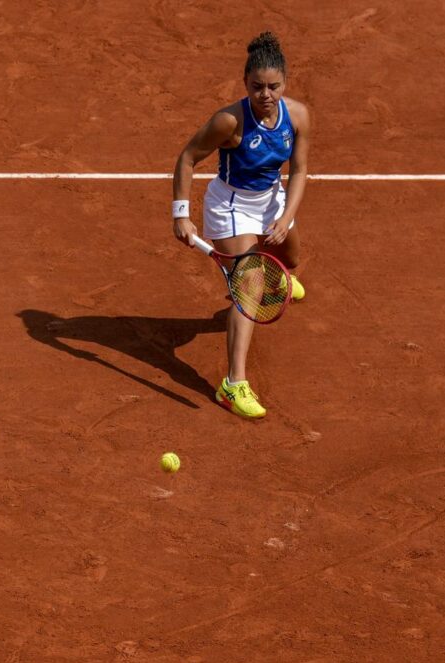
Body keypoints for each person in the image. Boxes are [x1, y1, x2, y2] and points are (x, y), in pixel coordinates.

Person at [171, 31, 310, 419]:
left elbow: (299, 170)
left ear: (285, 81)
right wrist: (181, 213)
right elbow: (186, 158)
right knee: (247, 288)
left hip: (272, 199)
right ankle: (233, 385)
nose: (265, 95)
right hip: (232, 206)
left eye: (273, 86)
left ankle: (273, 275)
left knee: (292, 260)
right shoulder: (228, 122)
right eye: (256, 86)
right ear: (245, 82)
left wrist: (284, 218)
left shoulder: (297, 116)